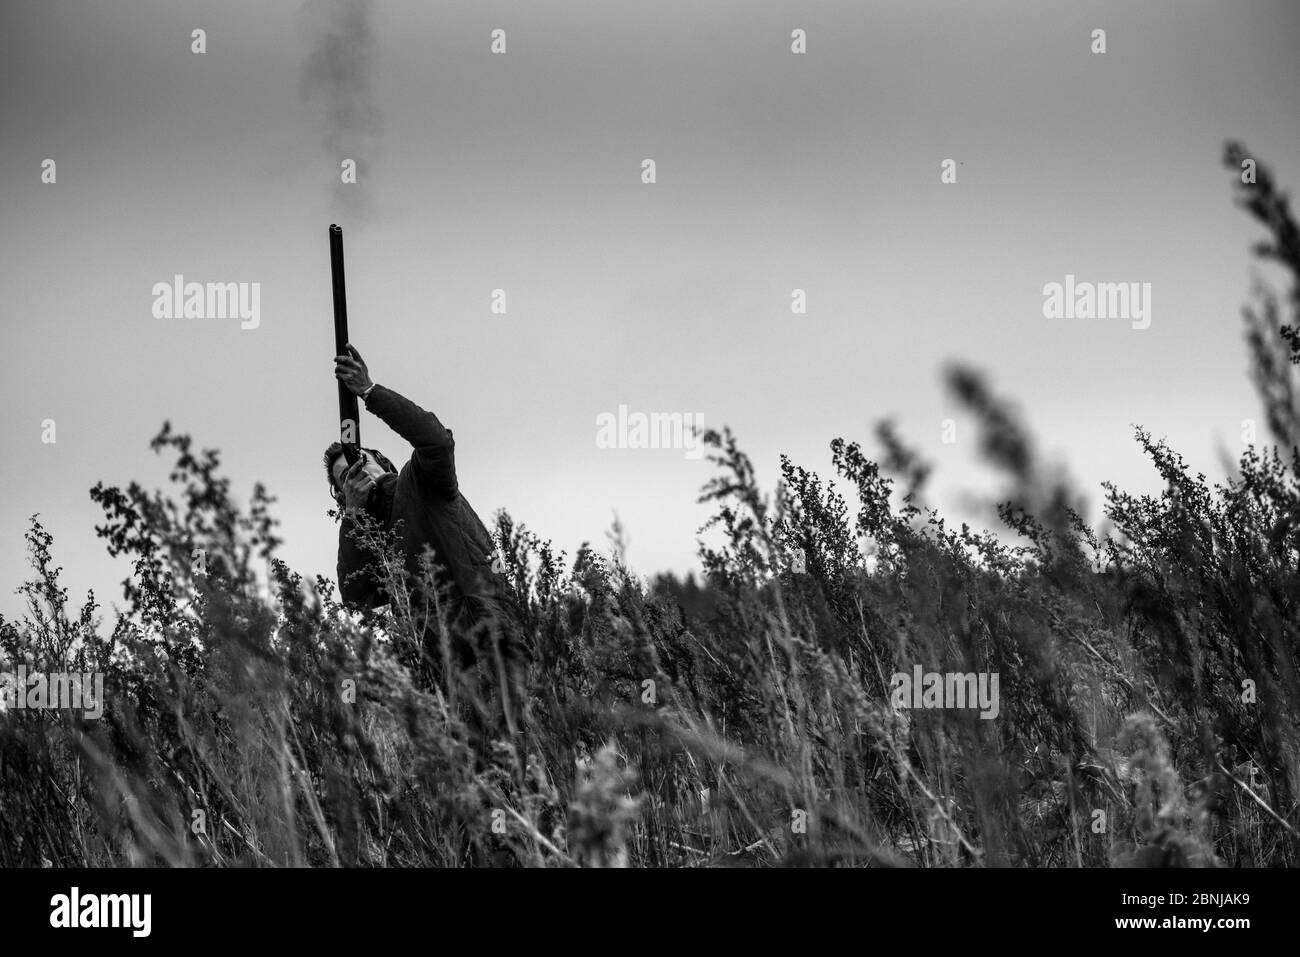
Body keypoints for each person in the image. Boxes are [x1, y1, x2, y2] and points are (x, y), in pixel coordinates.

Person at [326, 345, 507, 680]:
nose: (355, 471)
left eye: (359, 460)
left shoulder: (419, 480)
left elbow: (437, 441)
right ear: (343, 493)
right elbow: (355, 598)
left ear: (383, 464)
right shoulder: (370, 539)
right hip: (438, 667)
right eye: (344, 475)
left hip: (492, 636)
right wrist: (354, 516)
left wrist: (369, 392)